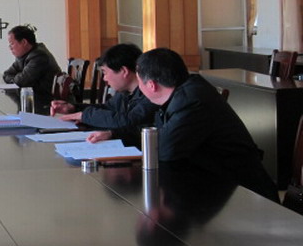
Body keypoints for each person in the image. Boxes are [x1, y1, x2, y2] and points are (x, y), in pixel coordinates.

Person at [134, 48, 278, 201]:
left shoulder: (192, 100)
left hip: (246, 195)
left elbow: (164, 150)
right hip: (219, 187)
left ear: (152, 85)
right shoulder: (184, 91)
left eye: (139, 81)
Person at [50, 43, 159, 140]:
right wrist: (74, 108)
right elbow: (108, 109)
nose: (104, 78)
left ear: (123, 71)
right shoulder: (125, 91)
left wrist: (85, 116)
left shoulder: (151, 94)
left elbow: (128, 121)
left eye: (105, 73)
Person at [2, 25, 61, 104]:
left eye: (12, 44)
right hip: (35, 98)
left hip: (46, 101)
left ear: (24, 42)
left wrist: (15, 79)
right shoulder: (25, 55)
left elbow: (22, 82)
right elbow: (7, 74)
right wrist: (16, 79)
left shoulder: (39, 56)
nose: (10, 47)